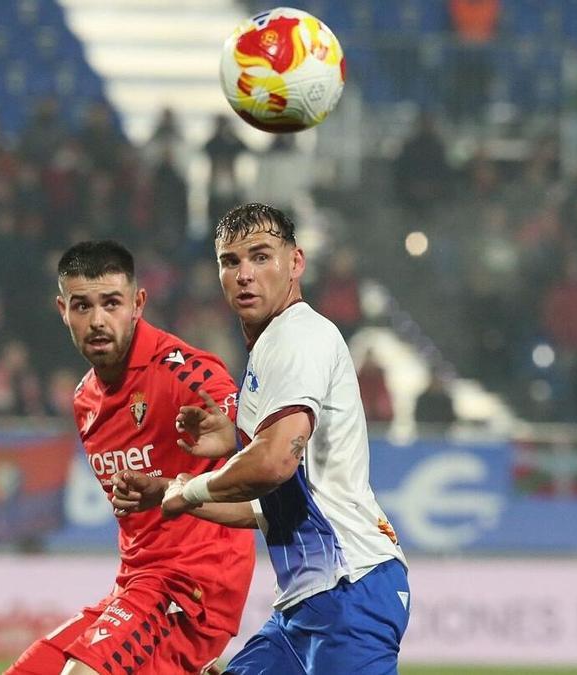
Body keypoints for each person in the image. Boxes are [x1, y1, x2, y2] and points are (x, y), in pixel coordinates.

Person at [113, 203, 410, 674]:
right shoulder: (271, 346)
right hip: (305, 605)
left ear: (296, 263)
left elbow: (273, 464)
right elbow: (270, 504)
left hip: (350, 586)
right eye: (231, 262)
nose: (245, 274)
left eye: (261, 256)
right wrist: (171, 490)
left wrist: (188, 490)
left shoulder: (297, 336)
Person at [8, 240, 255, 675]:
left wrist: (235, 434)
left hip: (193, 586)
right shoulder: (85, 399)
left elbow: (261, 446)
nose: (98, 320)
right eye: (82, 306)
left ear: (137, 304)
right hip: (137, 586)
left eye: (112, 303)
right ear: (62, 310)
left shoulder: (186, 372)